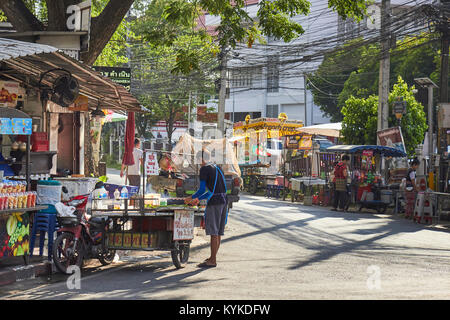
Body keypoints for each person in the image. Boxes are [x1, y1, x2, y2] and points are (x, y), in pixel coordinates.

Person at [185, 150, 227, 268]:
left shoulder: (204, 169)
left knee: (213, 232)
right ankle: (212, 257)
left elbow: (202, 189)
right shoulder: (217, 167)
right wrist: (199, 199)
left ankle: (212, 260)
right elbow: (214, 190)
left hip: (215, 203)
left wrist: (191, 197)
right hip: (224, 201)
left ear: (200, 159)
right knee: (218, 232)